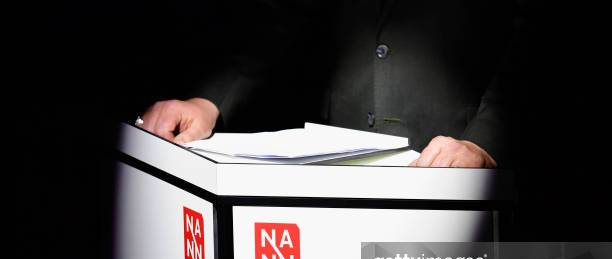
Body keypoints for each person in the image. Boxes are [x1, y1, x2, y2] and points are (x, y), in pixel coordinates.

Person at [139, 0, 523, 168]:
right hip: (337, 165)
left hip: (454, 168)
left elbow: (539, 38)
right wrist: (209, 101)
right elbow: (282, 18)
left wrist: (485, 142)